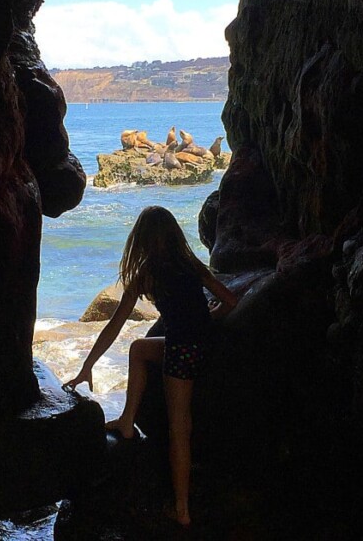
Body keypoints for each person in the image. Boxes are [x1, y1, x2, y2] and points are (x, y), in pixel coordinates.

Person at [64, 205, 238, 527]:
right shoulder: (191, 264)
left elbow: (115, 324)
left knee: (179, 428)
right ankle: (128, 419)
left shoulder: (148, 272)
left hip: (182, 351)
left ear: (141, 240)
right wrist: (206, 318)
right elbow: (230, 301)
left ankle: (182, 510)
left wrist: (87, 365)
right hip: (208, 347)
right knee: (139, 348)